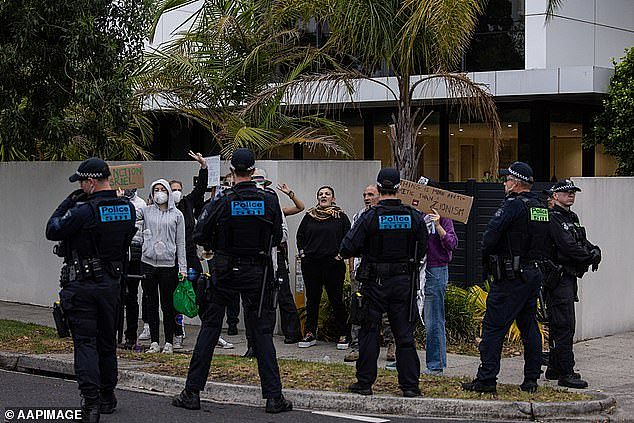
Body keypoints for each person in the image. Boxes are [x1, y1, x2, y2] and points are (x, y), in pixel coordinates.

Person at [172, 148, 292, 414]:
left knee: (210, 329)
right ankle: (273, 397)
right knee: (262, 335)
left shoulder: (223, 200)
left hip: (225, 270)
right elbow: (276, 236)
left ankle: (192, 392)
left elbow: (199, 233)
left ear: (232, 171)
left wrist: (220, 244)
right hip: (258, 272)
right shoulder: (269, 199)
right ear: (252, 170)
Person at [46, 158, 137, 422]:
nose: (81, 186)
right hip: (111, 284)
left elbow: (52, 229)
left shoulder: (84, 210)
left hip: (83, 286)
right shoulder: (127, 208)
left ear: (91, 181)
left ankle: (91, 402)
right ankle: (108, 395)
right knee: (107, 341)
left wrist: (69, 201)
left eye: (82, 182)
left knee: (85, 343)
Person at [462, 162, 550, 394]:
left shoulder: (512, 206)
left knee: (493, 327)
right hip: (532, 274)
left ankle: (486, 379)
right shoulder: (540, 207)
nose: (504, 183)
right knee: (529, 325)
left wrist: (487, 265)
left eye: (507, 179)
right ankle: (531, 379)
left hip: (511, 276)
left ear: (516, 182)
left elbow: (490, 237)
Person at [340, 168, 428, 397]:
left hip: (374, 282)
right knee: (404, 336)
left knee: (369, 332)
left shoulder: (370, 216)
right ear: (399, 188)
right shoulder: (413, 215)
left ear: (378, 189)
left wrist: (366, 248)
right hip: (403, 282)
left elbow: (346, 247)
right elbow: (423, 248)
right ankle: (409, 385)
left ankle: (365, 383)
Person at [545, 179, 601, 389]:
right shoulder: (554, 219)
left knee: (560, 323)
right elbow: (568, 247)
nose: (571, 195)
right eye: (566, 192)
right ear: (556, 196)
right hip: (558, 278)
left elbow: (581, 241)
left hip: (569, 277)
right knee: (564, 324)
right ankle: (566, 372)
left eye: (573, 192)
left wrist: (595, 250)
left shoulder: (571, 217)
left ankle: (554, 367)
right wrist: (589, 256)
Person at [345, 185, 396, 363]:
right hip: (361, 271)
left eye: (371, 194)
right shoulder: (359, 216)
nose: (367, 198)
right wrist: (352, 270)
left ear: (379, 196)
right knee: (358, 309)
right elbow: (350, 244)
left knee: (387, 312)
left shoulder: (387, 216)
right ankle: (356, 346)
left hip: (383, 272)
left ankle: (391, 343)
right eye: (365, 194)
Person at [296, 186, 351, 349]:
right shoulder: (309, 216)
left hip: (333, 264)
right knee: (312, 300)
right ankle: (310, 333)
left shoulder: (340, 217)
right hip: (311, 264)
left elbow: (348, 237)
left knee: (336, 300)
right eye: (320, 194)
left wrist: (340, 256)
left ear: (333, 198)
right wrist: (303, 254)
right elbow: (300, 236)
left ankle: (343, 334)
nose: (323, 196)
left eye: (327, 194)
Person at [138, 179, 187, 354]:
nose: (159, 193)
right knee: (151, 302)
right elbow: (132, 215)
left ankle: (169, 341)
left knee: (168, 304)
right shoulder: (147, 211)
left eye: (162, 189)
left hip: (168, 265)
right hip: (148, 263)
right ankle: (154, 341)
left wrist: (182, 267)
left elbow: (180, 243)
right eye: (156, 190)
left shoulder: (177, 215)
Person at [169, 150, 209, 349]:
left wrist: (203, 167)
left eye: (178, 189)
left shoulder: (187, 202)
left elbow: (201, 188)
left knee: (200, 291)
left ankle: (209, 330)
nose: (175, 192)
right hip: (171, 259)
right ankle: (177, 331)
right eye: (172, 189)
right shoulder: (162, 208)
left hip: (191, 256)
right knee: (174, 295)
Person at [423, 199, 458, 375]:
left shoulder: (443, 217)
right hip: (417, 268)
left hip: (435, 269)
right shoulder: (415, 214)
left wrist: (438, 226)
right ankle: (405, 360)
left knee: (434, 318)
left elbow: (452, 243)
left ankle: (435, 364)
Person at [120, 188, 147, 350]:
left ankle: (131, 335)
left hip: (135, 253)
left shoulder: (141, 204)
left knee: (132, 296)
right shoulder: (114, 202)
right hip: (118, 252)